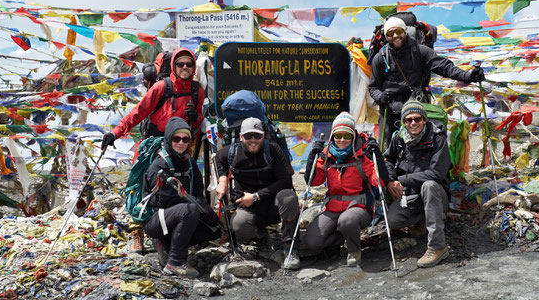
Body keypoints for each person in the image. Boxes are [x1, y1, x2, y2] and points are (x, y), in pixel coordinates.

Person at [102, 47, 205, 252]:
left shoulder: (197, 91)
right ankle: (137, 233)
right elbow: (137, 113)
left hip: (179, 148)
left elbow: (197, 126)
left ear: (194, 67)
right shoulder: (160, 87)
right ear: (174, 67)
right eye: (180, 64)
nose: (185, 67)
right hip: (152, 145)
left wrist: (196, 119)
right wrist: (115, 133)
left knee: (180, 188)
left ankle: (174, 229)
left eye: (189, 64)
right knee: (139, 187)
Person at [368, 16, 485, 147]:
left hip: (417, 112)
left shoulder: (420, 51)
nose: (395, 36)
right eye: (390, 33)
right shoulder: (380, 58)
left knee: (421, 149)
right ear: (386, 36)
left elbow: (445, 67)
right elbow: (373, 87)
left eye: (399, 31)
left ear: (405, 31)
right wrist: (381, 96)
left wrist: (468, 76)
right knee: (388, 150)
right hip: (391, 113)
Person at [214, 117, 301, 270]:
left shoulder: (273, 150)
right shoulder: (232, 152)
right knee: (238, 224)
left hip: (274, 204)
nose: (252, 140)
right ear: (241, 137)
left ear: (263, 136)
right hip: (250, 208)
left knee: (288, 196)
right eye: (248, 136)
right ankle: (262, 239)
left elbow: (285, 181)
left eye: (257, 136)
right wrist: (222, 179)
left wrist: (255, 196)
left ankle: (290, 248)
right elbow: (218, 159)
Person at [304, 112, 387, 267]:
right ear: (332, 136)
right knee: (313, 242)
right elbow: (314, 181)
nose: (342, 140)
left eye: (347, 136)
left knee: (347, 220)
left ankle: (354, 250)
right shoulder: (326, 155)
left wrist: (377, 157)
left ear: (353, 136)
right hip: (333, 208)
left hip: (360, 207)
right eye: (338, 135)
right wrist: (312, 158)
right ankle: (345, 237)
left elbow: (379, 181)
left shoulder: (363, 154)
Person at [142, 117, 220, 277]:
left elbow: (198, 192)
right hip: (156, 218)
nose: (181, 143)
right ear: (169, 139)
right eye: (176, 139)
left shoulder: (189, 163)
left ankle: (168, 245)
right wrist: (197, 204)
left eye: (186, 139)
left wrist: (207, 211)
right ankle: (175, 262)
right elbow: (163, 199)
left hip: (180, 214)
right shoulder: (159, 165)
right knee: (190, 210)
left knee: (215, 230)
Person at [383, 100, 451, 268]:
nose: (413, 123)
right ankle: (423, 221)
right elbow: (388, 159)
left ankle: (438, 247)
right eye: (408, 120)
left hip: (436, 194)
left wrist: (402, 180)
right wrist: (391, 180)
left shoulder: (437, 138)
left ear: (424, 120)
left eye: (417, 119)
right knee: (393, 220)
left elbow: (437, 173)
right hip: (411, 194)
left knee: (429, 185)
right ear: (403, 122)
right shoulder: (399, 138)